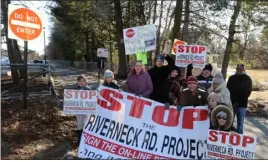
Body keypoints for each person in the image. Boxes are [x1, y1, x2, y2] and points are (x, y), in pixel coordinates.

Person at [227, 64, 252, 134]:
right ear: (236, 69)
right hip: (232, 103)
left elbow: (249, 91)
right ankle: (229, 138)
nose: (239, 70)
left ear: (244, 70)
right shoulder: (231, 78)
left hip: (242, 103)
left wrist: (243, 97)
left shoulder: (247, 78)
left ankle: (240, 138)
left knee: (240, 123)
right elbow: (227, 89)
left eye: (241, 69)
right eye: (238, 69)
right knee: (229, 122)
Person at [74, 75, 91, 146]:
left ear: (86, 82)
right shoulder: (74, 90)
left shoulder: (89, 90)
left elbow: (92, 100)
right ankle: (79, 138)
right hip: (78, 111)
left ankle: (83, 139)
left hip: (86, 111)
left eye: (83, 81)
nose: (81, 82)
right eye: (80, 81)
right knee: (79, 123)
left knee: (85, 123)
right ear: (77, 82)